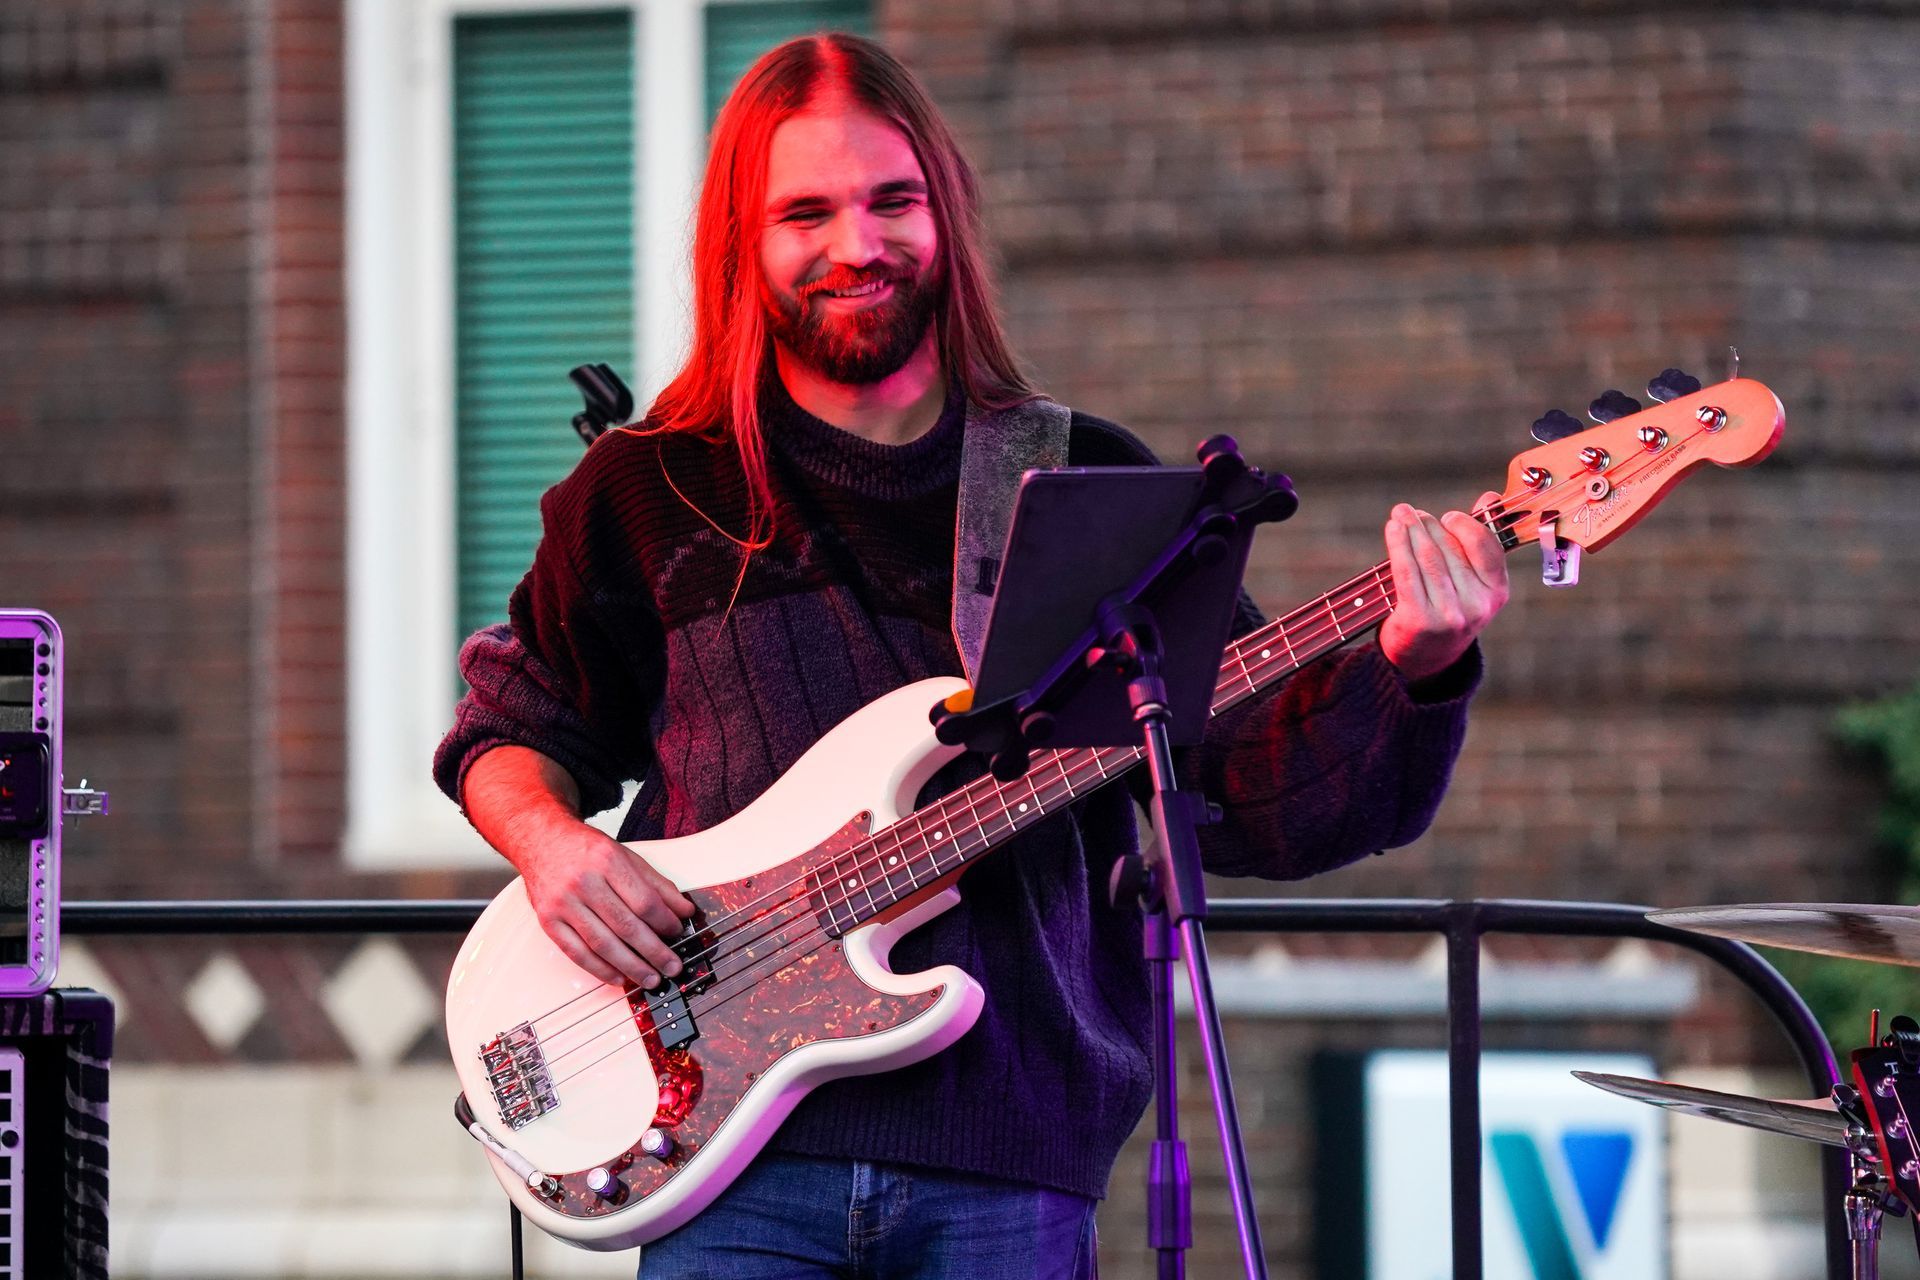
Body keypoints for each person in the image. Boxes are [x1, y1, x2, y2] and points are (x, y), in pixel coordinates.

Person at [434, 31, 1508, 1279]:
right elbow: (513, 723)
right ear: (746, 243)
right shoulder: (646, 490)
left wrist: (1413, 660)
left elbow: (1256, 798)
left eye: (894, 200)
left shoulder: (1084, 480)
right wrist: (554, 847)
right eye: (807, 212)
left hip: (1010, 1148)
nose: (857, 245)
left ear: (946, 213)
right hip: (721, 1148)